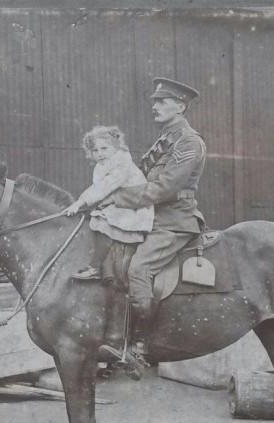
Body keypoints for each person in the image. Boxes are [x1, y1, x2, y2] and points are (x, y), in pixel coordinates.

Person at [105, 77, 207, 356]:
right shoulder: (165, 140)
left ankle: (141, 343)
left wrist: (115, 198)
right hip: (150, 219)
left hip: (174, 221)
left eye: (162, 101)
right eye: (154, 101)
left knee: (139, 269)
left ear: (181, 106)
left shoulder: (188, 142)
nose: (155, 106)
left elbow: (165, 188)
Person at [62, 125, 153, 281]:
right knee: (95, 218)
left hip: (133, 206)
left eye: (104, 148)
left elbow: (105, 186)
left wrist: (79, 203)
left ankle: (95, 267)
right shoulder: (102, 166)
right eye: (95, 151)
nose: (100, 154)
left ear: (116, 147)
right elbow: (99, 188)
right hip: (119, 203)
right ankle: (108, 269)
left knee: (101, 222)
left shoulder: (122, 163)